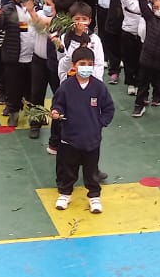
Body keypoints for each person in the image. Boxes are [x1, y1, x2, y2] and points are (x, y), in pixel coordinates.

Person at [49, 47, 114, 215]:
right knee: (67, 169)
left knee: (91, 171)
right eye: (82, 64)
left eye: (89, 64)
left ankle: (94, 196)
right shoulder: (66, 87)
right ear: (74, 66)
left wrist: (100, 123)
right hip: (69, 139)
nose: (86, 67)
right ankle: (65, 194)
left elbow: (109, 108)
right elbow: (58, 104)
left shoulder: (98, 87)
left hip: (91, 139)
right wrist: (56, 111)